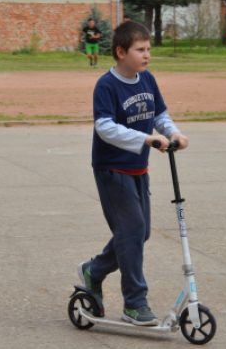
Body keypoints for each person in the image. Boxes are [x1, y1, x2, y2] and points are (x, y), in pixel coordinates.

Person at [77, 20, 189, 326]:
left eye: (148, 48)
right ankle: (135, 303)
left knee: (140, 233)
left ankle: (94, 270)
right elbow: (105, 127)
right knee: (132, 231)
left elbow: (159, 115)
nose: (147, 54)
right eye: (140, 49)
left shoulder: (147, 80)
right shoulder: (107, 85)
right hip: (112, 170)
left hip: (139, 169)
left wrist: (173, 133)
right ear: (121, 52)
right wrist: (147, 139)